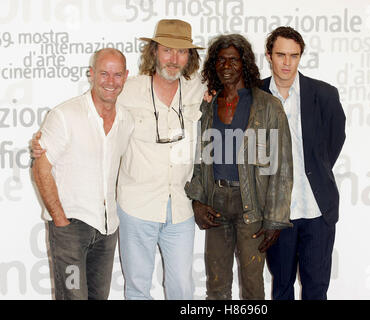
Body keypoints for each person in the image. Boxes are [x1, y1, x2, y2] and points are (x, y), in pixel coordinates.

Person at [184, 34, 293, 300]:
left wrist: (275, 218)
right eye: (220, 60)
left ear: (244, 63)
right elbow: (198, 158)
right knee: (216, 285)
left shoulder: (268, 106)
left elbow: (282, 168)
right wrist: (197, 201)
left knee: (253, 286)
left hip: (252, 206)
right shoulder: (206, 107)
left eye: (233, 59)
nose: (226, 66)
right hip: (216, 204)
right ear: (213, 66)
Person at [31, 48, 134, 300]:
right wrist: (60, 221)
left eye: (117, 74)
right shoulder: (65, 115)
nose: (110, 81)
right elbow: (41, 169)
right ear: (91, 74)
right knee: (73, 296)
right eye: (104, 73)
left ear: (126, 77)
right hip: (71, 231)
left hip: (107, 231)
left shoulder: (127, 120)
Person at [114, 19, 205, 300]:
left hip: (180, 207)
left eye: (181, 52)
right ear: (154, 52)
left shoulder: (198, 88)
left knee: (182, 287)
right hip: (136, 205)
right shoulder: (127, 90)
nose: (173, 59)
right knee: (137, 286)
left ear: (190, 57)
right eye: (167, 50)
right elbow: (93, 112)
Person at [261, 26, 346, 300]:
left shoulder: (324, 95)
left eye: (294, 56)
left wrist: (315, 170)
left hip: (317, 210)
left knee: (316, 288)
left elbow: (335, 139)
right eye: (281, 55)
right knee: (281, 287)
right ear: (269, 56)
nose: (287, 63)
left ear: (300, 57)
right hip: (277, 214)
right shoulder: (254, 94)